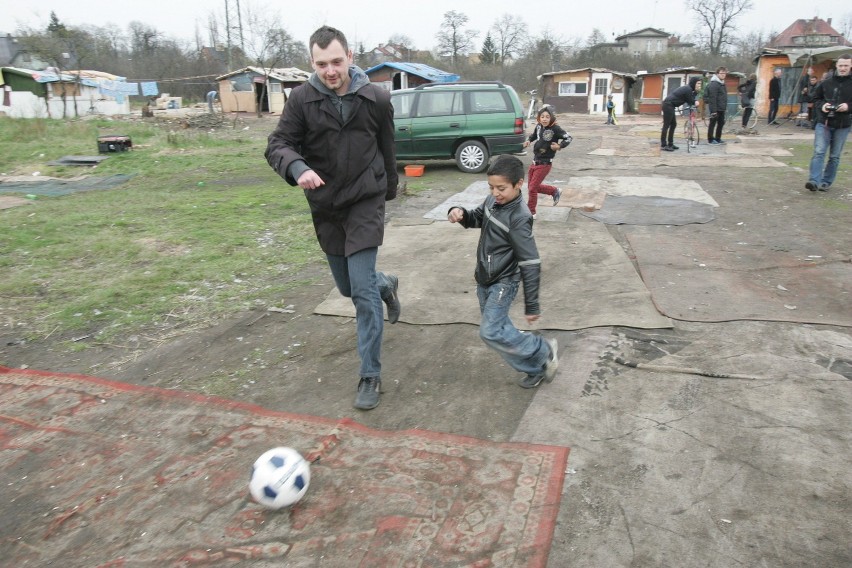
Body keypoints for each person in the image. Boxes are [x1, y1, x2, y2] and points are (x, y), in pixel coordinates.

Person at [265, 25, 401, 410]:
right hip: (326, 206)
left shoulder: (375, 98)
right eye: (322, 63)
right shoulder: (302, 100)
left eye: (337, 61)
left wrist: (388, 192)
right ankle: (386, 284)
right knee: (347, 286)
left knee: (360, 293)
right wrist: (296, 168)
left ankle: (370, 374)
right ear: (312, 62)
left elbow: (387, 147)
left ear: (351, 57)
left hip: (365, 202)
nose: (330, 70)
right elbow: (278, 144)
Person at [447, 155, 559, 389]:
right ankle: (537, 367)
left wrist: (532, 305)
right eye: (491, 187)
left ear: (519, 184)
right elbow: (476, 218)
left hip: (504, 281)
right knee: (500, 331)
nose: (495, 193)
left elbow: (530, 262)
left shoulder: (519, 218)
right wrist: (459, 213)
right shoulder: (492, 201)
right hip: (484, 277)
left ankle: (542, 349)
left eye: (501, 188)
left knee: (489, 332)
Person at [806, 54, 852, 192]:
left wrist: (848, 107)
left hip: (843, 124)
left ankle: (826, 181)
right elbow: (815, 98)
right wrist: (823, 106)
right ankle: (814, 180)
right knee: (819, 151)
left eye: (846, 65)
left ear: (850, 66)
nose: (843, 68)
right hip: (824, 122)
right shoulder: (826, 83)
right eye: (841, 65)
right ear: (836, 66)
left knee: (834, 155)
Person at [522, 106, 571, 218]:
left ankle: (531, 212)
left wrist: (559, 146)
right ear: (539, 118)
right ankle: (554, 191)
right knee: (531, 187)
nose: (544, 119)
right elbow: (534, 135)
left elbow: (568, 138)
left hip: (545, 164)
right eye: (542, 117)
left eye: (547, 117)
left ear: (551, 118)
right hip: (535, 162)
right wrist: (529, 140)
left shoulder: (555, 129)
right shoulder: (539, 126)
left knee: (532, 188)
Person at [660, 76, 702, 151]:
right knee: (666, 125)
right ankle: (663, 145)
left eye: (700, 84)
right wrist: (696, 102)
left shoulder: (689, 89)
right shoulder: (688, 89)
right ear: (693, 83)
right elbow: (691, 100)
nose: (699, 85)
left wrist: (696, 92)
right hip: (668, 105)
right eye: (698, 83)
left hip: (670, 106)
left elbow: (691, 99)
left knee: (673, 124)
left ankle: (670, 143)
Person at [704, 66, 728, 144]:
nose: (723, 75)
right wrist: (713, 111)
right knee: (712, 124)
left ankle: (718, 138)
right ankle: (710, 139)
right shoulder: (714, 84)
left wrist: (724, 107)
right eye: (721, 73)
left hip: (721, 108)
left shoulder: (722, 84)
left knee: (720, 124)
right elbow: (712, 98)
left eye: (725, 73)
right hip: (715, 108)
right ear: (717, 74)